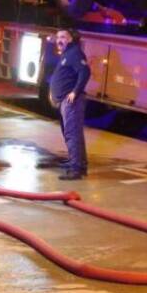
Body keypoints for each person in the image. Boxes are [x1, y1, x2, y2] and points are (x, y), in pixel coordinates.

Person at [48, 28, 91, 180]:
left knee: (73, 135)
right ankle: (78, 163)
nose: (59, 40)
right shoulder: (66, 53)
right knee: (72, 134)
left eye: (63, 37)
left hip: (72, 102)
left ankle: (76, 170)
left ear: (71, 39)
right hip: (64, 102)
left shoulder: (74, 53)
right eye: (58, 37)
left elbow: (85, 72)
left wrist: (75, 92)